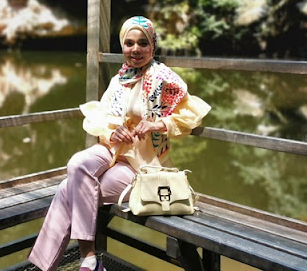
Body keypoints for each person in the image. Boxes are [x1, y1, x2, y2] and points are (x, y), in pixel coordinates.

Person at [28, 16, 211, 271]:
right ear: (122, 46)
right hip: (111, 148)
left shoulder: (163, 79)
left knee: (69, 189)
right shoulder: (119, 80)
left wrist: (159, 124)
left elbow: (191, 114)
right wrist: (112, 131)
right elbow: (100, 115)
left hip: (140, 163)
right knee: (77, 164)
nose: (135, 49)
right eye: (129, 43)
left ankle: (73, 262)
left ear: (152, 46)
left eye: (142, 43)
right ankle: (89, 260)